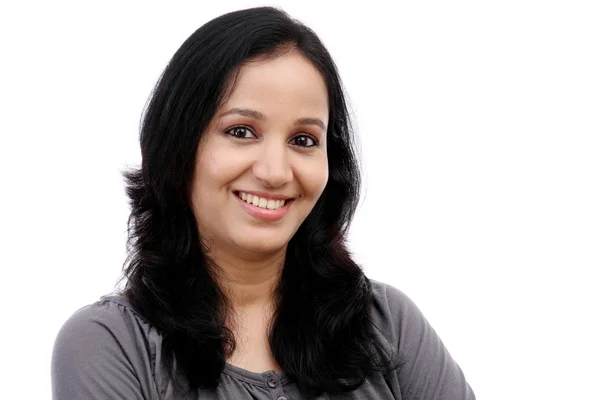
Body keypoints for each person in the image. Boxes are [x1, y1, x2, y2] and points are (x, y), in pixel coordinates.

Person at [51, 6, 475, 400]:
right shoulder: (110, 344)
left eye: (303, 140)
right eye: (241, 131)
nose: (275, 172)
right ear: (178, 146)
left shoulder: (388, 324)